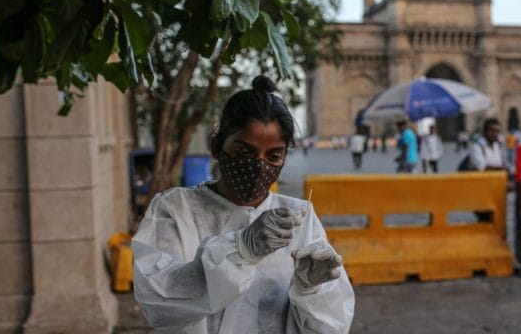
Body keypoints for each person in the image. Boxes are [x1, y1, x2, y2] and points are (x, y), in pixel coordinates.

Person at [132, 76, 355, 333]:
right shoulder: (176, 210)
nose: (258, 165)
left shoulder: (299, 219)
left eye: (273, 156)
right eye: (244, 153)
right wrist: (239, 250)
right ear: (217, 147)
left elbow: (330, 327)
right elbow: (159, 301)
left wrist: (312, 290)